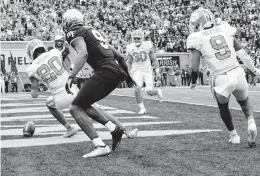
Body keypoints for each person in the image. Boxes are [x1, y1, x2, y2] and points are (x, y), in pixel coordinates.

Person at [63, 9, 138, 158]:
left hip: (105, 71)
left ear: (67, 22)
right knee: (84, 104)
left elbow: (83, 53)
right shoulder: (92, 31)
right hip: (116, 73)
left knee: (75, 109)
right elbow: (119, 57)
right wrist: (128, 77)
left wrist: (71, 75)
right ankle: (114, 129)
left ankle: (100, 145)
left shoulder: (74, 32)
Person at [187, 8, 260, 148]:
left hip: (220, 77)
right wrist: (254, 70)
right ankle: (251, 122)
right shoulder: (225, 29)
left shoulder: (196, 38)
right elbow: (243, 55)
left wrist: (193, 82)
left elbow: (194, 67)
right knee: (244, 102)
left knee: (223, 106)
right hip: (237, 72)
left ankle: (234, 135)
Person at [26, 39, 78, 138]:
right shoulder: (54, 52)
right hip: (73, 89)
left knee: (49, 103)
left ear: (31, 53)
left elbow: (34, 95)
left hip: (61, 98)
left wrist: (38, 81)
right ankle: (110, 125)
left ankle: (69, 128)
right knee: (91, 109)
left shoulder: (31, 69)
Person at [127, 29, 164, 114]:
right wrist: (128, 73)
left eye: (138, 38)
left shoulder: (147, 46)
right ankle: (142, 108)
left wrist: (157, 72)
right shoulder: (130, 47)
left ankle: (157, 92)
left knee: (149, 92)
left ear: (142, 38)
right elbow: (129, 62)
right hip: (137, 71)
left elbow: (154, 59)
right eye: (135, 38)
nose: (136, 40)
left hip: (147, 70)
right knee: (136, 89)